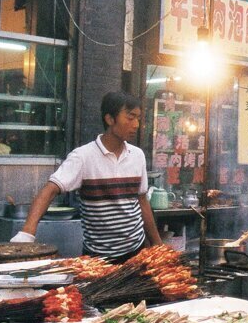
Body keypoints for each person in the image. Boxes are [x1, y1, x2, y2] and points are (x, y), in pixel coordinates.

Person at [12, 91, 162, 259]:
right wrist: (27, 232)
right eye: (130, 117)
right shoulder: (83, 157)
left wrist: (157, 244)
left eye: (138, 118)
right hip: (99, 258)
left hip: (136, 251)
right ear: (110, 119)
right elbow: (49, 190)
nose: (136, 125)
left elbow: (142, 200)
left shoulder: (137, 155)